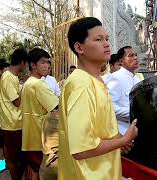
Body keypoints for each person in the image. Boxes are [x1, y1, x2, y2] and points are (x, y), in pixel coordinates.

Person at [58, 17, 138, 180]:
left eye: (107, 39)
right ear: (79, 47)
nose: (107, 44)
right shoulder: (81, 84)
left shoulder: (96, 80)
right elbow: (82, 149)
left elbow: (98, 130)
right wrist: (123, 141)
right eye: (98, 39)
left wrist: (117, 139)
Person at [21, 48, 59, 180]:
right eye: (43, 62)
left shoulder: (28, 83)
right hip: (40, 136)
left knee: (33, 170)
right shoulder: (38, 84)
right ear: (33, 65)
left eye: (48, 62)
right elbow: (56, 107)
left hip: (30, 136)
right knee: (41, 171)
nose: (47, 65)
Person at [0, 48, 28, 180]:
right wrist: (26, 88)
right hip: (13, 124)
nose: (26, 66)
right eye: (26, 63)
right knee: (15, 159)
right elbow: (17, 102)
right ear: (22, 62)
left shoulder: (11, 77)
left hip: (15, 123)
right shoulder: (9, 78)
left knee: (19, 159)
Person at [107, 46, 140, 134]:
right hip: (122, 133)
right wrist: (134, 114)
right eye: (131, 55)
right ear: (121, 61)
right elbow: (110, 107)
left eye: (136, 55)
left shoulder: (137, 79)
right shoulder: (115, 78)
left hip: (137, 132)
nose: (135, 58)